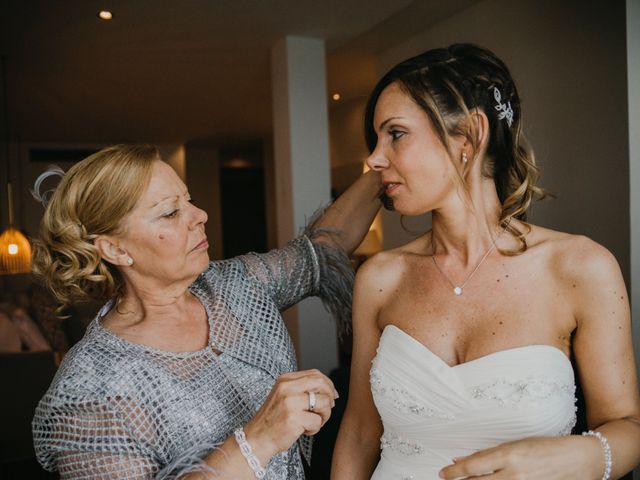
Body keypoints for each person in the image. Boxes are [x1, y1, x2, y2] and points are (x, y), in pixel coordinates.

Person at [331, 43, 640, 479]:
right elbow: (361, 434)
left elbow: (627, 426)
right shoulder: (380, 278)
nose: (374, 158)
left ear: (469, 137)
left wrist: (572, 457)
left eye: (395, 133)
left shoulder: (580, 267)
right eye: (377, 139)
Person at [30, 144, 382, 479]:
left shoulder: (234, 285)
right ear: (115, 249)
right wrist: (257, 440)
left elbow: (323, 249)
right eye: (170, 212)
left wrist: (385, 167)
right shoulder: (90, 389)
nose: (200, 216)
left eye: (190, 200)